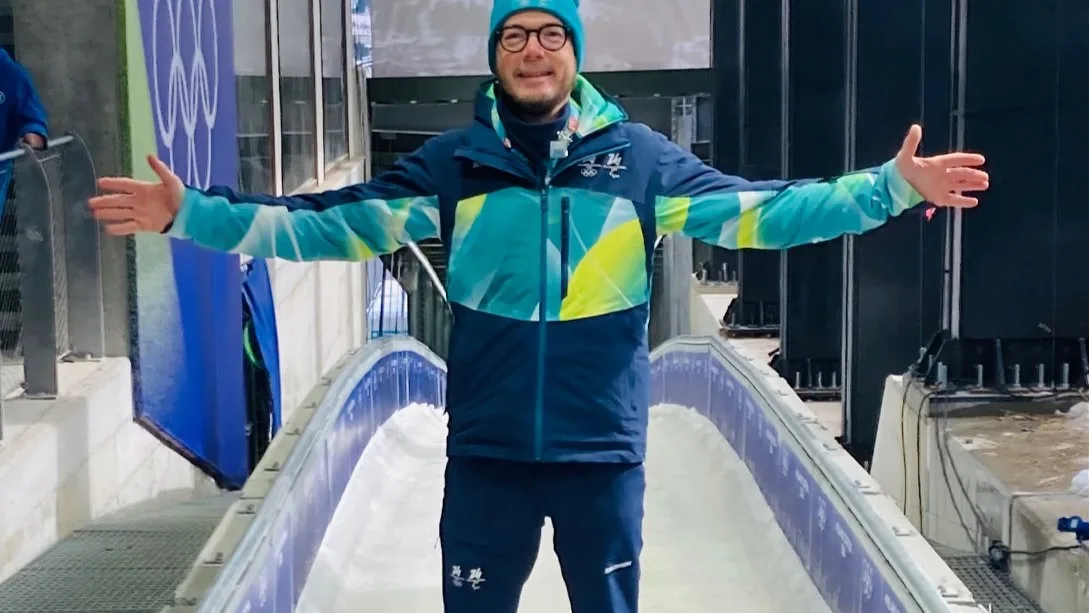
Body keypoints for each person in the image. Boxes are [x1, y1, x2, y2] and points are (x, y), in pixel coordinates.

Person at [88, 1, 989, 611]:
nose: (532, 49)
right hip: (489, 457)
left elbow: (767, 212)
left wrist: (888, 187)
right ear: (494, 55)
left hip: (602, 455)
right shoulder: (454, 166)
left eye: (550, 34)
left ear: (573, 53)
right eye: (514, 34)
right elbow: (327, 223)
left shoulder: (639, 162)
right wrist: (191, 214)